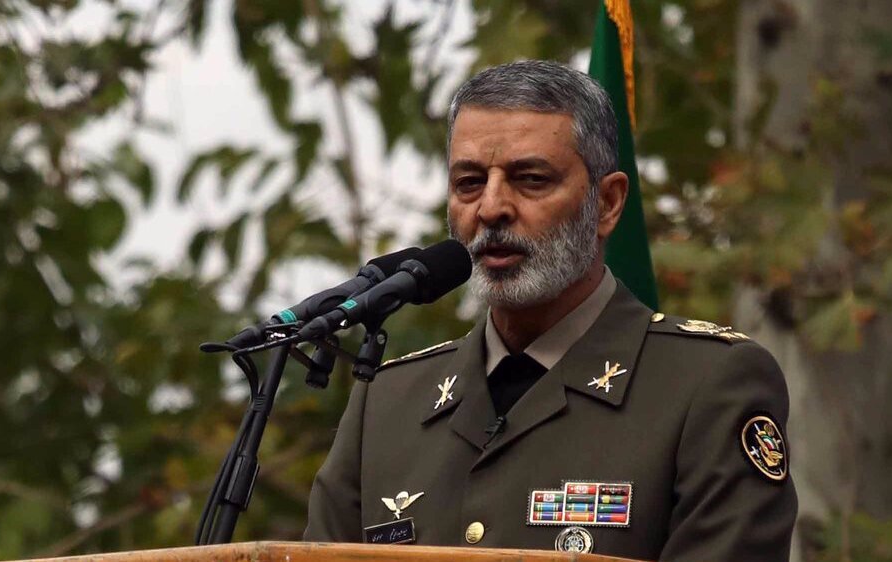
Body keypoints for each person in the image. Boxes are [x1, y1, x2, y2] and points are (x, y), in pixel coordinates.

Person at [304, 60, 797, 561]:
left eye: (531, 179)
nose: (491, 208)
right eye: (469, 182)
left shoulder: (705, 384)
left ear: (607, 204)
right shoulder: (388, 401)